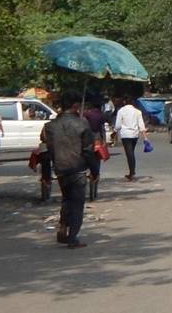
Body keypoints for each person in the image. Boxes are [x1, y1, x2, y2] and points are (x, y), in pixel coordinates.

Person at [42, 91, 99, 249]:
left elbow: (45, 152)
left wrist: (46, 175)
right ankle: (72, 237)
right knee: (77, 204)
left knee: (66, 200)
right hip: (78, 168)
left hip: (60, 168)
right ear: (75, 105)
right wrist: (95, 171)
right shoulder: (82, 124)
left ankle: (63, 226)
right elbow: (88, 150)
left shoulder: (50, 126)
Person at [113, 96, 148, 181]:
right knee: (131, 152)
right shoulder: (138, 112)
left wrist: (114, 132)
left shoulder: (121, 111)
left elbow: (118, 125)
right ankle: (132, 172)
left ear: (124, 102)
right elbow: (141, 125)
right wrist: (145, 137)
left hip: (125, 135)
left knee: (129, 153)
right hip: (134, 135)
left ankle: (132, 173)